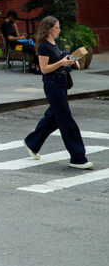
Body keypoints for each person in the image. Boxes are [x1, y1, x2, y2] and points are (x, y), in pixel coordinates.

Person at [23, 15, 93, 170]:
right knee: (66, 120)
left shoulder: (54, 43)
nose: (59, 30)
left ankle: (32, 142)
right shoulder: (43, 46)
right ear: (49, 29)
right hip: (52, 84)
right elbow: (44, 69)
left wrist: (70, 58)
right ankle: (78, 157)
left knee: (54, 117)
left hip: (60, 83)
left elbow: (60, 55)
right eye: (57, 27)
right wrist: (62, 62)